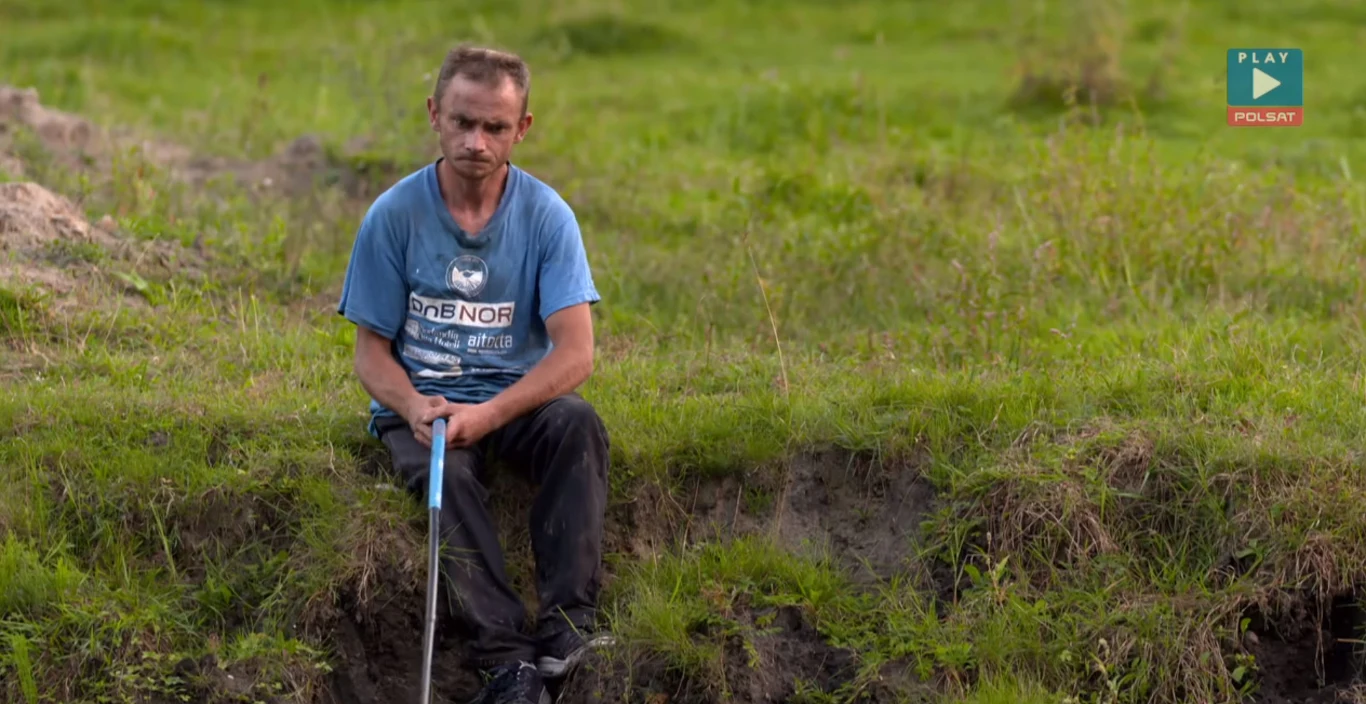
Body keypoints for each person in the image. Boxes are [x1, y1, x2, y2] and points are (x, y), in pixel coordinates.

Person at [336, 44, 612, 704]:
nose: (475, 141)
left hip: (507, 401)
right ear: (435, 115)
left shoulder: (548, 217)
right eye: (462, 122)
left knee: (578, 424)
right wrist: (411, 406)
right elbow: (370, 355)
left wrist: (489, 415)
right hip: (425, 406)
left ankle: (570, 627)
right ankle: (506, 661)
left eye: (493, 127)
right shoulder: (393, 216)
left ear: (522, 129)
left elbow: (576, 354)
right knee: (449, 474)